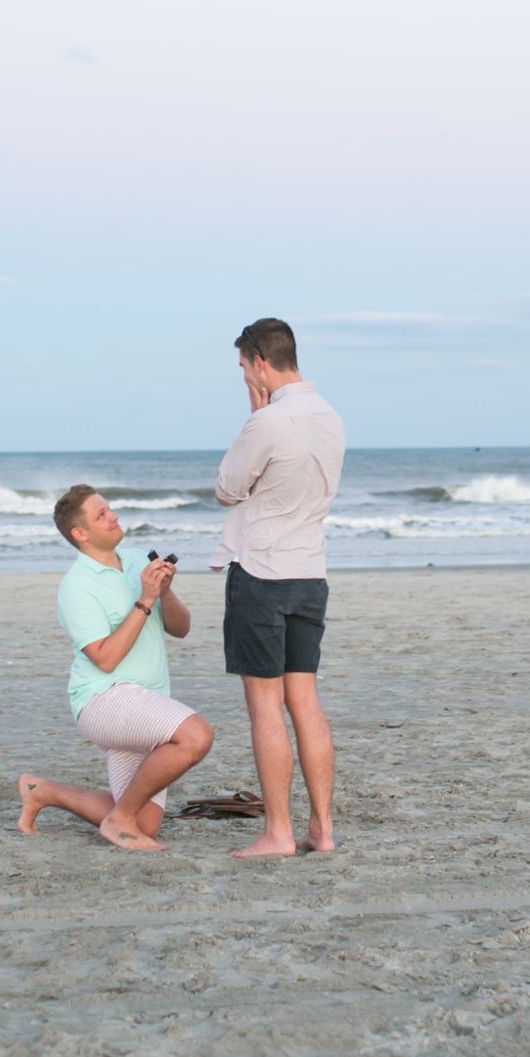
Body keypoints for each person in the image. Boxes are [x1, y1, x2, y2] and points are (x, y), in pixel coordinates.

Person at [211, 318, 346, 858]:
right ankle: (323, 829)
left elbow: (226, 490)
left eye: (244, 367)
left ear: (260, 363)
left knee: (266, 706)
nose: (244, 375)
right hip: (310, 572)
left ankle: (278, 833)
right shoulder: (330, 417)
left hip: (263, 572)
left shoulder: (267, 422)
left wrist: (255, 411)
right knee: (305, 701)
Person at [17, 484, 213, 853]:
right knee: (196, 735)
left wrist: (165, 592)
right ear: (81, 533)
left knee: (148, 826)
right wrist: (146, 599)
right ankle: (118, 821)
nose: (114, 517)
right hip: (104, 699)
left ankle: (40, 790)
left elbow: (181, 629)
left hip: (146, 702)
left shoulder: (138, 559)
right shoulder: (77, 587)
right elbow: (105, 659)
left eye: (110, 509)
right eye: (102, 515)